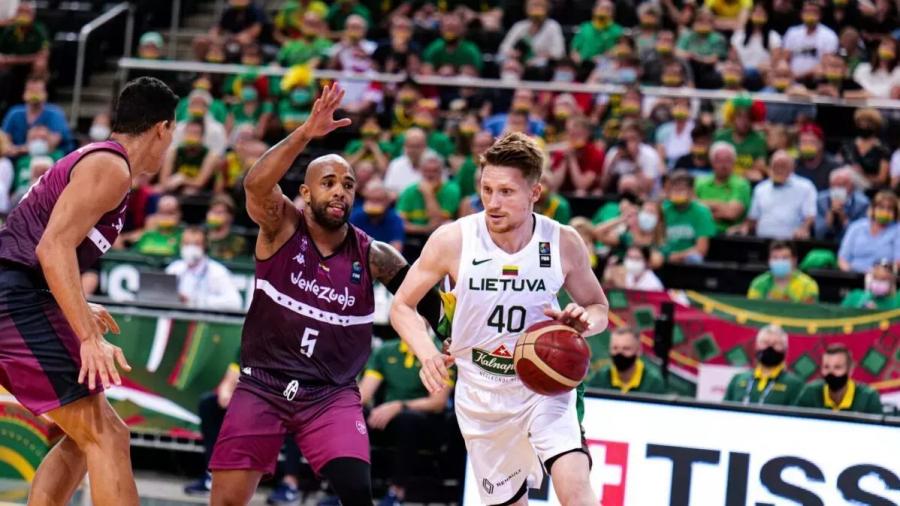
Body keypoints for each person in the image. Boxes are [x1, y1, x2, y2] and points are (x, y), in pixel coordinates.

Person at [208, 84, 443, 506]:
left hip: (330, 394)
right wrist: (304, 134)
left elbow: (431, 305)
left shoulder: (375, 255)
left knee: (357, 495)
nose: (340, 191)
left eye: (348, 185)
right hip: (263, 384)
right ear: (305, 192)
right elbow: (256, 185)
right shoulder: (281, 227)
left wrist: (460, 334)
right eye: (329, 182)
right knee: (226, 502)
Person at [390, 132, 610, 505]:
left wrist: (582, 321)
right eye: (487, 189)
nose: (492, 202)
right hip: (481, 393)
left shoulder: (562, 241)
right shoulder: (453, 239)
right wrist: (427, 353)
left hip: (544, 386)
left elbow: (599, 308)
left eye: (506, 192)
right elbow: (401, 306)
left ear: (535, 193)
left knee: (575, 488)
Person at [0, 77, 178, 506]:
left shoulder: (102, 163)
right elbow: (51, 248)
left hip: (20, 293)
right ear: (162, 129)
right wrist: (87, 336)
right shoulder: (110, 167)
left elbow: (42, 247)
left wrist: (74, 304)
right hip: (13, 299)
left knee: (85, 438)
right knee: (108, 436)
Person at [359, 338, 452, 506]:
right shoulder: (385, 350)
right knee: (354, 416)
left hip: (426, 421)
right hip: (389, 418)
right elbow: (363, 395)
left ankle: (397, 492)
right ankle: (350, 488)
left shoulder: (440, 353)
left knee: (407, 420)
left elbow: (438, 402)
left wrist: (399, 405)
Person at [723, 325, 804, 405]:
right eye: (765, 343)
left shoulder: (795, 385)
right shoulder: (738, 379)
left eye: (776, 344)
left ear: (785, 349)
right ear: (757, 346)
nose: (770, 347)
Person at [165, 226, 242, 310]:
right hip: (176, 315)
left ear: (205, 246)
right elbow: (161, 295)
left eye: (196, 244)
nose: (191, 248)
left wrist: (197, 301)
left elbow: (235, 302)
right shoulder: (174, 268)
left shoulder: (217, 272)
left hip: (205, 316)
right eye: (186, 243)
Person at [746, 150, 817, 240]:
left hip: (793, 241)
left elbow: (810, 215)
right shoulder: (760, 188)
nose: (779, 169)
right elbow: (753, 218)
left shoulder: (805, 186)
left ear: (792, 167)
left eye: (783, 166)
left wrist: (803, 229)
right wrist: (745, 227)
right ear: (770, 168)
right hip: (763, 240)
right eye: (776, 166)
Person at [794, 344, 883, 414]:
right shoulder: (810, 392)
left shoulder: (868, 397)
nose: (831, 373)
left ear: (850, 369)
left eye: (837, 367)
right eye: (826, 367)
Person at [2, 75, 74, 154]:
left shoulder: (55, 113)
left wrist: (19, 150)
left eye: (38, 91)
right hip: (16, 158)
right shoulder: (15, 113)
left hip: (50, 156)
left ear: (45, 94)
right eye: (31, 91)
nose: (34, 94)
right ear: (24, 94)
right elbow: (5, 139)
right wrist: (9, 149)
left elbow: (52, 143)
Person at [586, 326, 665, 393]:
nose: (619, 353)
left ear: (638, 351)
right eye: (615, 348)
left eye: (626, 348)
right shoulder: (599, 378)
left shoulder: (653, 382)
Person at [694, 142, 751, 234]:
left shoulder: (741, 185)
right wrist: (723, 206)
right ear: (712, 162)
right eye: (719, 161)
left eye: (727, 161)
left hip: (728, 236)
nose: (723, 165)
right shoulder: (700, 183)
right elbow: (691, 209)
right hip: (701, 234)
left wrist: (702, 205)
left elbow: (731, 213)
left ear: (734, 162)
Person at [661, 170, 717, 264]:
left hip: (688, 259)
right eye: (674, 189)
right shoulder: (663, 210)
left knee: (695, 258)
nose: (677, 192)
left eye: (681, 189)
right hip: (665, 257)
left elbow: (701, 249)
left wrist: (676, 256)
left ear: (691, 191)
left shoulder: (702, 212)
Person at [838, 190, 900, 273]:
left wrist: (883, 272)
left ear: (895, 213)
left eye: (890, 209)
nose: (885, 211)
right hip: (854, 275)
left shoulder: (897, 229)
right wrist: (850, 273)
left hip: (884, 276)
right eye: (881, 207)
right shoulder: (856, 227)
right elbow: (842, 259)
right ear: (873, 209)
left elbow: (898, 262)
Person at [748, 240, 819, 303]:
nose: (779, 262)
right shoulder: (758, 284)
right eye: (775, 258)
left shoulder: (808, 285)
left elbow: (809, 312)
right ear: (769, 261)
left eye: (785, 258)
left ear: (794, 260)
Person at [782, 1, 838, 79]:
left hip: (815, 77)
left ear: (820, 15)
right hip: (792, 77)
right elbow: (785, 58)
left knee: (820, 71)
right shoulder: (792, 32)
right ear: (801, 14)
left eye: (814, 12)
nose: (810, 15)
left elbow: (825, 64)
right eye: (807, 11)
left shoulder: (829, 35)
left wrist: (800, 75)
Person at [814, 167, 869, 242]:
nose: (838, 189)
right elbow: (818, 234)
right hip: (825, 243)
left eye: (842, 185)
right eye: (834, 185)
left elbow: (860, 236)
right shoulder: (821, 200)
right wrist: (828, 221)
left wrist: (844, 220)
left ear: (852, 185)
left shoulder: (862, 204)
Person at [349, 178, 405, 252]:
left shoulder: (395, 219)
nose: (374, 204)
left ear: (387, 201)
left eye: (378, 200)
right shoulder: (355, 216)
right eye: (370, 199)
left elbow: (396, 249)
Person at [206, 194, 248, 261]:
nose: (215, 215)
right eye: (213, 211)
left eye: (220, 212)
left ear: (230, 216)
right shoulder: (201, 237)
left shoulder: (238, 242)